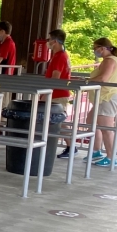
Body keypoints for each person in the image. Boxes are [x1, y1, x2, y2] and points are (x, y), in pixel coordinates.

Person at [85, 37, 117, 167]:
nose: (94, 50)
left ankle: (112, 157)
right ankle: (96, 151)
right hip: (102, 97)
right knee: (91, 121)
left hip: (107, 97)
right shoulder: (111, 60)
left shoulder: (109, 61)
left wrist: (87, 81)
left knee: (106, 129)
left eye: (95, 48)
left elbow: (103, 78)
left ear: (102, 48)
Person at [45, 29, 75, 159]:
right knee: (58, 120)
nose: (48, 42)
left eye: (49, 39)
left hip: (57, 93)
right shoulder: (60, 55)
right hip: (57, 93)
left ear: (55, 41)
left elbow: (55, 77)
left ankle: (71, 146)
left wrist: (45, 90)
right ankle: (70, 146)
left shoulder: (59, 57)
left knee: (59, 121)